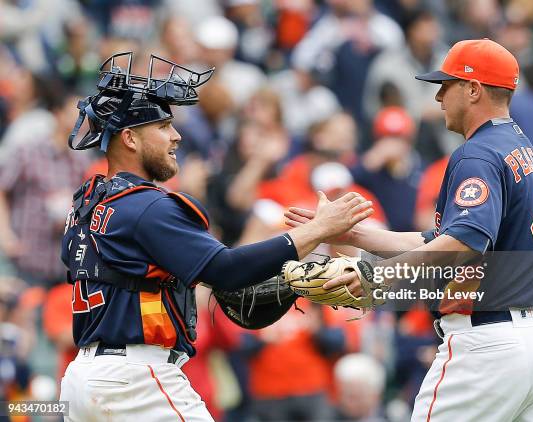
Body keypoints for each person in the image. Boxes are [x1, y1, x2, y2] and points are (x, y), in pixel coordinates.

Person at [59, 52, 373, 421]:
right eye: (162, 127)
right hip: (134, 380)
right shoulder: (146, 206)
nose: (175, 136)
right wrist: (319, 229)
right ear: (129, 138)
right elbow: (225, 270)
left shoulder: (87, 203)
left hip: (83, 379)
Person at [286, 39, 533, 421]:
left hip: (488, 346)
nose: (438, 96)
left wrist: (383, 276)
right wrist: (351, 235)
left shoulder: (477, 153)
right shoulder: (524, 151)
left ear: (473, 90)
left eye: (447, 84)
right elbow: (443, 239)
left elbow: (462, 243)